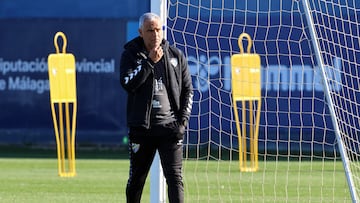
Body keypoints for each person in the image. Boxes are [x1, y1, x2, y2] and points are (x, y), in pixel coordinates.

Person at [120, 12, 193, 203]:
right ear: (140, 32)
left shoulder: (175, 56)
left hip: (169, 129)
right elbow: (128, 83)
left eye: (158, 29)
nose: (155, 34)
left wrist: (182, 122)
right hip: (142, 129)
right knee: (137, 179)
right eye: (150, 30)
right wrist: (149, 62)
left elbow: (188, 90)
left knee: (175, 179)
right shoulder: (131, 55)